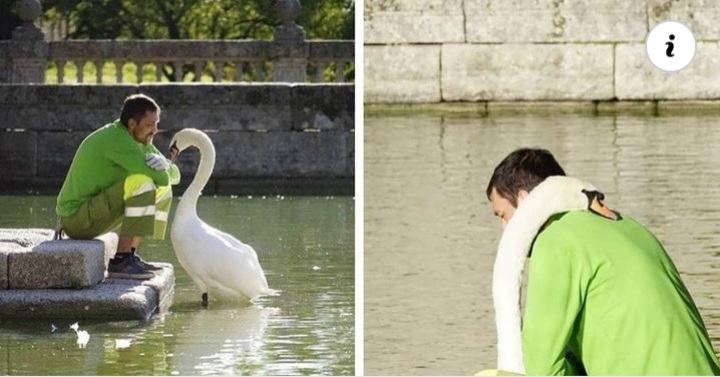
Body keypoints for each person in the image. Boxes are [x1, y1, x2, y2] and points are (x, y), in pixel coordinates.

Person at [486, 148, 720, 375]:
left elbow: (540, 369)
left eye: (503, 215)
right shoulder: (628, 226)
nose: (505, 229)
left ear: (525, 199)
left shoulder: (556, 242)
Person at [56, 94, 180, 280]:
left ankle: (130, 255)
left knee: (162, 190)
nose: (155, 130)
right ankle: (120, 261)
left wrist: (165, 164)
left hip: (95, 214)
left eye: (157, 124)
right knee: (142, 182)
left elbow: (175, 177)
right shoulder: (116, 139)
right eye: (149, 124)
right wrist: (165, 167)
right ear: (132, 124)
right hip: (76, 219)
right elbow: (161, 177)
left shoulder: (140, 140)